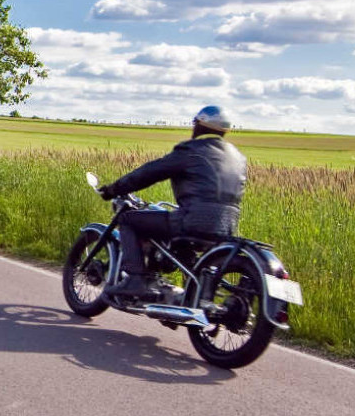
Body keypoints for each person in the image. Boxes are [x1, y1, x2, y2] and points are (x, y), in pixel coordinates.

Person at [94, 106, 248, 300]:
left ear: (199, 125)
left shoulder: (191, 151)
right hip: (226, 227)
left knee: (127, 220)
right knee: (181, 244)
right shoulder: (237, 157)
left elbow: (150, 172)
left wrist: (114, 189)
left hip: (192, 221)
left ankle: (135, 279)